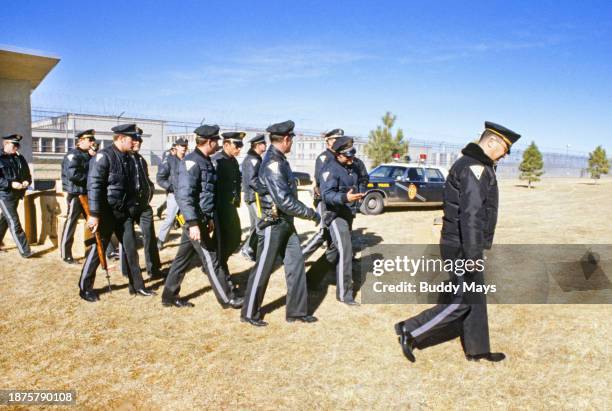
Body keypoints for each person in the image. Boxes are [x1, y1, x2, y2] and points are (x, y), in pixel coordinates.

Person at [395, 121, 521, 363]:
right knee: (463, 301)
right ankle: (409, 329)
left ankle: (478, 349)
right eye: (505, 148)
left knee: (475, 298)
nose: (505, 154)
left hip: (461, 243)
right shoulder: (475, 168)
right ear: (492, 141)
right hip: (462, 246)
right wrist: (473, 255)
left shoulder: (474, 164)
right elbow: (472, 215)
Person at [241, 120, 321, 327]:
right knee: (263, 268)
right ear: (286, 139)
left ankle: (296, 312)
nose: (292, 142)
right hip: (273, 224)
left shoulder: (278, 159)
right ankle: (249, 312)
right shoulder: (274, 163)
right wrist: (311, 214)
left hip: (285, 223)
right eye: (292, 139)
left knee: (296, 264)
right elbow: (284, 201)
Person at [161, 125, 244, 309]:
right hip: (195, 222)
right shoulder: (192, 162)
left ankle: (168, 295)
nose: (218, 145)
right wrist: (193, 223)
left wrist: (210, 219)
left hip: (202, 220)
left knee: (182, 259)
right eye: (216, 141)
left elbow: (207, 194)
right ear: (210, 141)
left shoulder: (205, 160)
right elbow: (184, 195)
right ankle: (227, 297)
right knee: (211, 258)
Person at [78, 124, 156, 302]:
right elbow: (94, 186)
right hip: (106, 213)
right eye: (132, 139)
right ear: (121, 138)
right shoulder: (103, 156)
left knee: (130, 249)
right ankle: (85, 287)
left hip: (124, 213)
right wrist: (94, 214)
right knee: (98, 251)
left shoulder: (129, 158)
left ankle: (137, 286)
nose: (135, 142)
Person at [319, 136, 365, 305]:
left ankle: (310, 280)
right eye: (347, 156)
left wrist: (358, 196)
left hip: (347, 213)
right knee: (346, 251)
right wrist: (345, 197)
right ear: (338, 154)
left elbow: (361, 181)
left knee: (332, 252)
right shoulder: (329, 169)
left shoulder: (350, 167)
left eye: (352, 155)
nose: (351, 159)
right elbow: (327, 195)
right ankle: (345, 294)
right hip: (335, 215)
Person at [119, 127, 163, 279]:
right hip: (128, 206)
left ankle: (154, 269)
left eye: (140, 141)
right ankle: (128, 270)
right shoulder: (123, 159)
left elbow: (145, 180)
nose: (138, 143)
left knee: (149, 236)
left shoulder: (140, 160)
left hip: (143, 206)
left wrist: (149, 189)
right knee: (127, 240)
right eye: (135, 140)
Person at [301, 128, 344, 259]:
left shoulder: (340, 156)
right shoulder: (324, 157)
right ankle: (300, 257)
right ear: (328, 142)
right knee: (323, 230)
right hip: (324, 199)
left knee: (336, 232)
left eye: (339, 139)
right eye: (334, 139)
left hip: (337, 198)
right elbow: (320, 180)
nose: (338, 142)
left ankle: (334, 259)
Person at [212, 131, 245, 293]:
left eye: (240, 146)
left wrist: (237, 198)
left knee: (235, 238)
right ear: (226, 145)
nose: (239, 149)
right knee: (221, 242)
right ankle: (220, 271)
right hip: (219, 209)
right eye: (236, 145)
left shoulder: (233, 161)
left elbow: (237, 181)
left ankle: (217, 264)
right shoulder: (217, 161)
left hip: (230, 207)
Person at [60, 129, 96, 264]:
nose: (93, 142)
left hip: (86, 193)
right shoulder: (73, 155)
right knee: (71, 224)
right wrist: (92, 179)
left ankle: (105, 249)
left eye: (93, 140)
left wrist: (92, 157)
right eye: (90, 140)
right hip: (76, 194)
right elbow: (73, 175)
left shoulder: (87, 155)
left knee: (95, 221)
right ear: (81, 141)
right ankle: (66, 254)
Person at [0, 134, 32, 258]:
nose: (17, 148)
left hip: (17, 194)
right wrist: (10, 184)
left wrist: (26, 181)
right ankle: (25, 251)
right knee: (14, 221)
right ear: (6, 144)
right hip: (4, 194)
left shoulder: (20, 158)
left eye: (18, 145)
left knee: (5, 219)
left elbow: (27, 175)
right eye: (15, 145)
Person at [239, 133, 267, 261]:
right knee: (260, 224)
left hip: (254, 196)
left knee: (255, 225)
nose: (265, 145)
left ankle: (249, 249)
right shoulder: (252, 159)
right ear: (257, 145)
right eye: (263, 144)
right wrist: (265, 190)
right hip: (253, 197)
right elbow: (252, 180)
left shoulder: (255, 158)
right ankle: (247, 249)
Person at [156, 138, 188, 249]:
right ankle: (160, 240)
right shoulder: (169, 160)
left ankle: (189, 241)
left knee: (186, 218)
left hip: (186, 194)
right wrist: (171, 187)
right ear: (176, 147)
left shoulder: (187, 160)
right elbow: (160, 178)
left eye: (185, 145)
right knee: (170, 218)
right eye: (181, 145)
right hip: (174, 195)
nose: (184, 147)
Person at [156, 143, 178, 219]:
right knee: (172, 203)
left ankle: (160, 209)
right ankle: (174, 221)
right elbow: (162, 174)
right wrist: (169, 185)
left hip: (173, 183)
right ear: (172, 150)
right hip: (169, 183)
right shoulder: (167, 158)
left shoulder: (175, 157)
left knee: (172, 201)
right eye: (175, 149)